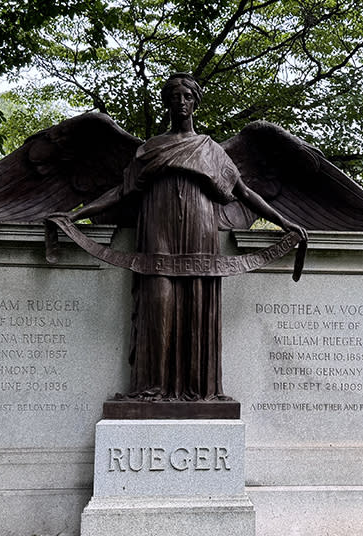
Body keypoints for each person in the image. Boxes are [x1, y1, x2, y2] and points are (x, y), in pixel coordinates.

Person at [52, 73, 307, 402]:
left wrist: (284, 221)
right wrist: (74, 215)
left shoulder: (210, 149)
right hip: (158, 227)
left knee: (197, 303)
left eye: (187, 96)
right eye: (174, 96)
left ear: (195, 102)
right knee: (158, 301)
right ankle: (151, 387)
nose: (180, 102)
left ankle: (199, 390)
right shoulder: (151, 148)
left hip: (200, 228)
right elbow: (120, 191)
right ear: (166, 102)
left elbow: (244, 192)